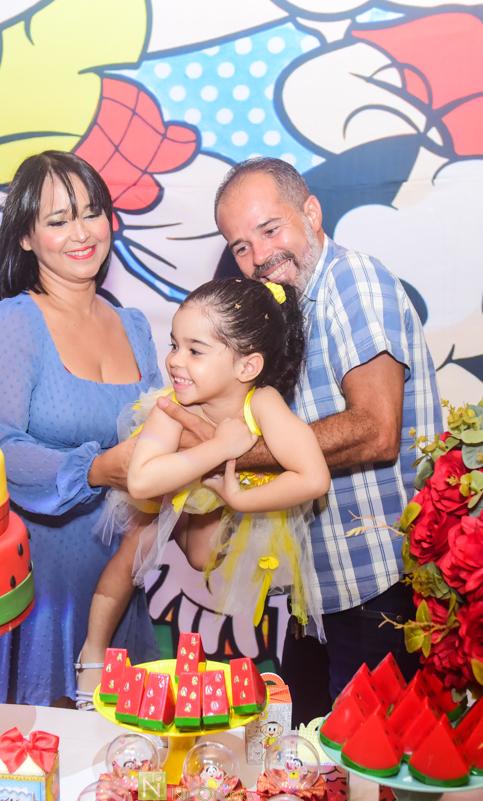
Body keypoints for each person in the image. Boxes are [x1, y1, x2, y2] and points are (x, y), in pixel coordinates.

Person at [164, 157, 442, 723]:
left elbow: (376, 429)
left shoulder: (350, 282)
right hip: (315, 592)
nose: (260, 255)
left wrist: (223, 454)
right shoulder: (281, 313)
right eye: (240, 246)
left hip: (379, 585)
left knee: (371, 769)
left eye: (270, 229)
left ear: (311, 213)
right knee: (311, 763)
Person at [0, 151, 159, 706]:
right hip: (41, 587)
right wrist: (94, 468)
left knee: (121, 769)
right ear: (25, 238)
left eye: (91, 212)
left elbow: (166, 433)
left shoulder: (135, 327)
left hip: (118, 579)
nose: (82, 233)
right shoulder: (17, 319)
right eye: (58, 220)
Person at [75, 278, 331, 706]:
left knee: (202, 558)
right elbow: (141, 480)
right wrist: (220, 447)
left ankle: (242, 686)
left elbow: (313, 477)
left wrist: (238, 498)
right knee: (134, 546)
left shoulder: (263, 401)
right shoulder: (175, 404)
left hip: (225, 491)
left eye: (194, 350)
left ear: (246, 367)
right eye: (174, 345)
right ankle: (93, 654)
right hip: (173, 483)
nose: (175, 361)